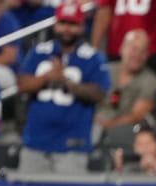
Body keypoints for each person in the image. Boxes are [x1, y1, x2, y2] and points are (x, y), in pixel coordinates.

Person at [16, 3, 109, 174]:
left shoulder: (94, 58)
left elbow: (99, 93)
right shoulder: (39, 52)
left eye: (72, 24)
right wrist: (46, 78)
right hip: (35, 141)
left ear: (82, 27)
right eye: (63, 23)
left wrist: (68, 83)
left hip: (72, 144)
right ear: (55, 24)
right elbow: (21, 84)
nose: (67, 29)